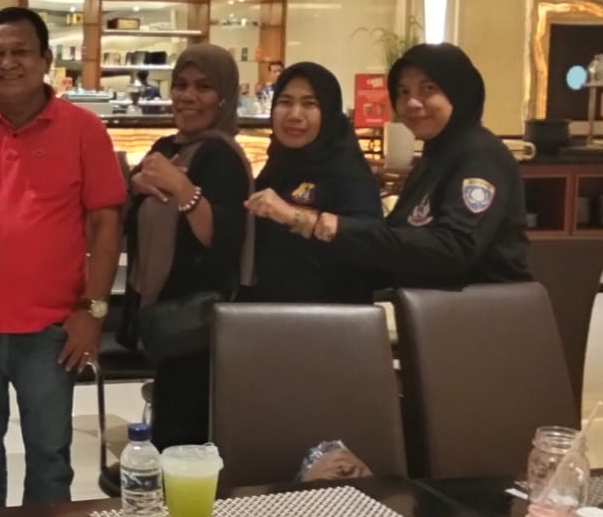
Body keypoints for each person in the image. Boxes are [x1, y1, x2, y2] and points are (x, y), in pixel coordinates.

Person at [0, 7, 125, 509]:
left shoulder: (83, 129)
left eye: (20, 52)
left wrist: (93, 311)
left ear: (46, 60)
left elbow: (106, 225)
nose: (8, 63)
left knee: (50, 461)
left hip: (52, 333)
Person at [248, 43, 531, 288]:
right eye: (403, 92)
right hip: (436, 314)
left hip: (480, 316)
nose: (412, 103)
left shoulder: (478, 156)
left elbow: (455, 248)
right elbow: (397, 239)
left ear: (458, 91)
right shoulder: (436, 157)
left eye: (428, 89)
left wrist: (320, 224)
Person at [125, 45, 254, 449]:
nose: (188, 96)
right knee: (168, 428)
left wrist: (182, 188)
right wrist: (134, 185)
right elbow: (131, 217)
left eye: (203, 87)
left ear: (224, 97)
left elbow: (222, 241)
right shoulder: (166, 147)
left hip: (197, 327)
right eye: (180, 85)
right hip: (162, 320)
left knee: (187, 441)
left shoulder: (223, 157)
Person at [248, 62, 382, 304]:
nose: (294, 115)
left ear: (328, 112)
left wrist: (291, 216)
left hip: (329, 314)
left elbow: (371, 244)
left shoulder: (347, 171)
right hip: (267, 313)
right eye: (285, 102)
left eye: (309, 104)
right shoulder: (276, 166)